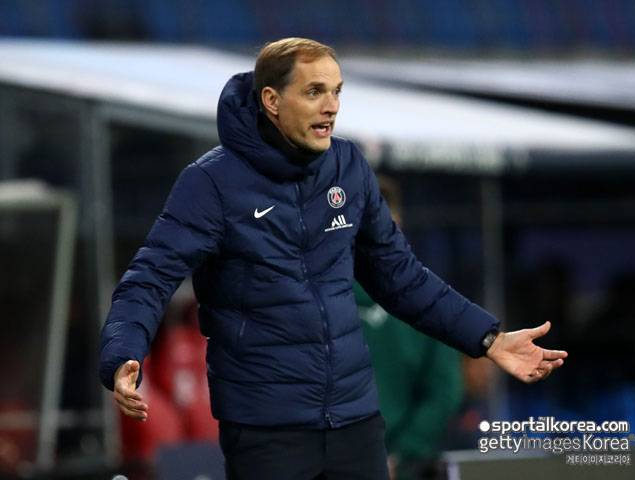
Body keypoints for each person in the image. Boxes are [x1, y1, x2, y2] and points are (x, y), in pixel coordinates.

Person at [100, 37, 568, 480]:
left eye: (337, 91)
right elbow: (150, 277)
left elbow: (401, 277)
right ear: (272, 100)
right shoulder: (212, 182)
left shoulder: (348, 166)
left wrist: (487, 338)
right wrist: (123, 353)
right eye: (315, 92)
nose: (331, 106)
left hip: (354, 419)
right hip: (266, 427)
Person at [356, 176, 463, 480]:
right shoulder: (430, 298)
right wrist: (400, 455)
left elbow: (445, 390)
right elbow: (445, 391)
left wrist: (401, 453)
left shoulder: (428, 299)